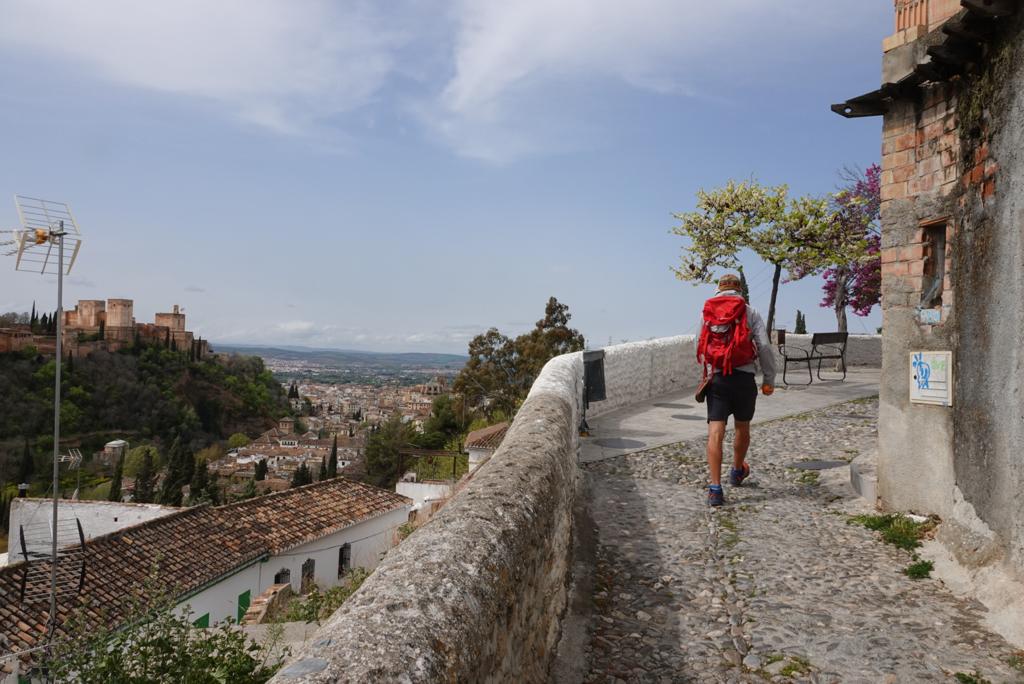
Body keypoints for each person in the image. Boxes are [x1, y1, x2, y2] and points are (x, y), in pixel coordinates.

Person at [697, 273, 776, 506]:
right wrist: (769, 379)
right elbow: (764, 346)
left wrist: (711, 369)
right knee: (742, 427)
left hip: (718, 378)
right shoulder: (750, 312)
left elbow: (698, 343)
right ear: (740, 290)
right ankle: (737, 471)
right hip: (744, 378)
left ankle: (715, 489)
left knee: (715, 432)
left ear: (718, 290)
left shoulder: (708, 311)